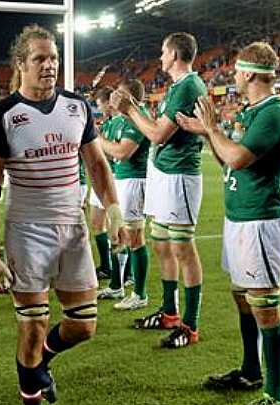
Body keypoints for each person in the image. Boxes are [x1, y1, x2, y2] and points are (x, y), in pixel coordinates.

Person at [0, 24, 126, 405]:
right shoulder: (2, 116)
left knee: (84, 326)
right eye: (40, 58)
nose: (50, 65)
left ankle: (42, 365)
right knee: (32, 327)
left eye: (53, 58)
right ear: (20, 64)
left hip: (73, 228)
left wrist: (112, 210)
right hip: (27, 230)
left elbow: (97, 166)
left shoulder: (78, 107)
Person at [177, 41, 280, 405]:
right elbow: (227, 162)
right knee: (243, 298)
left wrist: (212, 127)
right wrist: (207, 133)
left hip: (261, 220)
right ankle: (250, 371)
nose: (233, 76)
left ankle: (276, 395)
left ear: (248, 73)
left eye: (237, 70)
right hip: (241, 218)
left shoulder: (274, 113)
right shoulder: (254, 111)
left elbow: (240, 158)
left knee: (265, 306)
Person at [112, 32, 207, 348]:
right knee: (162, 244)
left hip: (180, 176)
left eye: (164, 51)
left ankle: (190, 325)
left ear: (176, 55)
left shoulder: (189, 86)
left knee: (183, 249)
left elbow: (156, 134)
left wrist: (129, 110)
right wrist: (135, 108)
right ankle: (169, 312)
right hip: (164, 175)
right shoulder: (178, 87)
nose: (160, 57)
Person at [101, 79, 151, 311]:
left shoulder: (137, 118)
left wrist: (97, 140)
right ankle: (117, 286)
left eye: (120, 93)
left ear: (130, 97)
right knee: (118, 235)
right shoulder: (122, 119)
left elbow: (122, 152)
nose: (115, 97)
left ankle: (139, 294)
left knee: (135, 238)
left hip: (134, 181)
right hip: (121, 180)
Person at [94, 86, 128, 299]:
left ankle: (124, 276)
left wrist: (97, 140)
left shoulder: (122, 122)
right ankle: (108, 268)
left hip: (117, 180)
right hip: (101, 179)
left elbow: (117, 151)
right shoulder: (107, 123)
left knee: (120, 230)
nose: (100, 109)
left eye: (100, 104)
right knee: (98, 224)